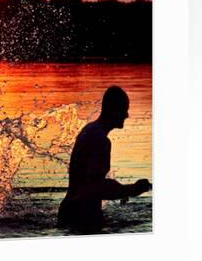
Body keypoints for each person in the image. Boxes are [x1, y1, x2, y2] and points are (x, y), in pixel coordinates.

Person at [57, 86, 151, 232]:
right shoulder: (101, 140)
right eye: (124, 109)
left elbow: (92, 181)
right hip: (81, 216)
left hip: (70, 211)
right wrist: (131, 190)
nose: (127, 115)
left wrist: (121, 188)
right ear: (112, 109)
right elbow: (95, 188)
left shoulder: (90, 129)